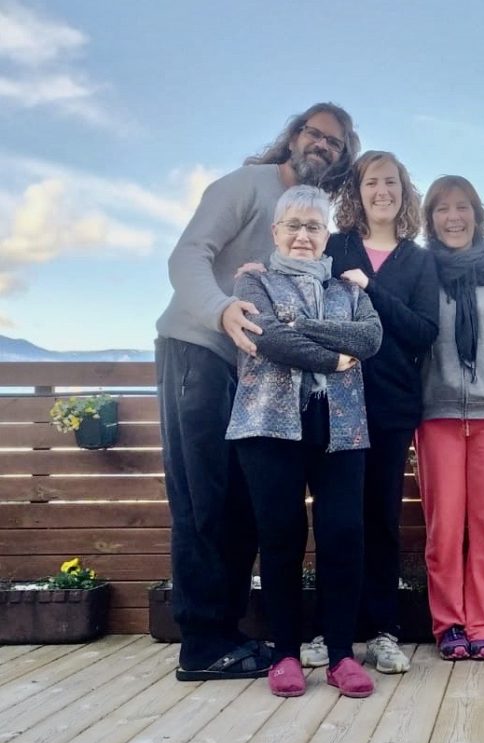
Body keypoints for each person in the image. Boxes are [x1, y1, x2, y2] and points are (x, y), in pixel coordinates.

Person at [155, 103, 359, 681]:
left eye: (335, 143)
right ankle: (201, 644)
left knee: (241, 506)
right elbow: (187, 254)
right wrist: (220, 309)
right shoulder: (247, 185)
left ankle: (227, 635)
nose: (322, 145)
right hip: (198, 349)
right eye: (314, 133)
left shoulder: (310, 218)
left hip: (251, 373)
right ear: (294, 136)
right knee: (202, 501)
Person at [226, 186, 381, 698]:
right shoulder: (253, 281)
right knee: (281, 538)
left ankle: (341, 655)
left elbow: (370, 338)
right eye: (293, 225)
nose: (302, 235)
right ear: (276, 232)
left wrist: (301, 326)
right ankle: (285, 654)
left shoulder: (349, 289)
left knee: (343, 536)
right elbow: (268, 337)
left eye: (313, 226)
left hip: (342, 426)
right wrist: (333, 356)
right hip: (269, 427)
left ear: (326, 235)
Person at [325, 151, 439, 674]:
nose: (382, 191)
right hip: (335, 403)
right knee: (338, 519)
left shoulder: (418, 260)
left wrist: (372, 289)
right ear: (358, 190)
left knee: (382, 520)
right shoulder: (336, 247)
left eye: (391, 181)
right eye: (372, 182)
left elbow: (422, 332)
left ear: (403, 190)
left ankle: (384, 631)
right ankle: (334, 632)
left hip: (391, 407)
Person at [416, 175, 484, 661]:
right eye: (442, 208)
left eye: (462, 207)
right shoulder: (421, 269)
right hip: (437, 411)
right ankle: (449, 624)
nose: (453, 217)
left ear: (478, 215)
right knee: (443, 528)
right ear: (431, 219)